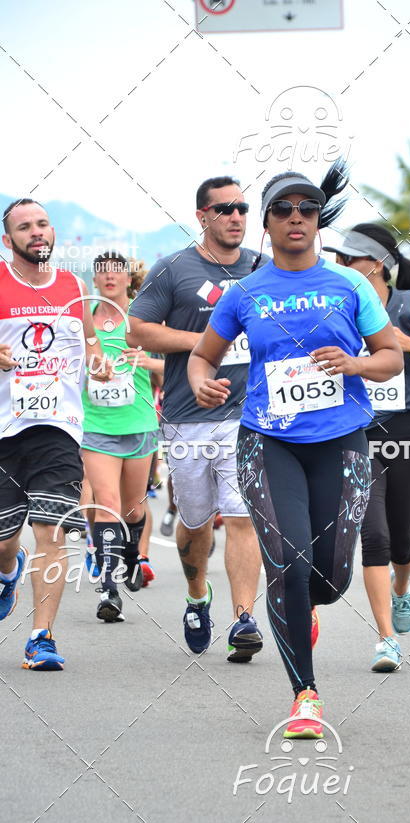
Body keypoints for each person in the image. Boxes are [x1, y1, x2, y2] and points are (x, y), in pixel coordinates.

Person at [188, 163, 403, 737]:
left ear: (318, 219)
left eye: (307, 209)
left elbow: (391, 356)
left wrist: (356, 363)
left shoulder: (350, 284)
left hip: (341, 441)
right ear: (267, 224)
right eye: (283, 210)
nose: (296, 218)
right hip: (268, 441)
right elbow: (203, 354)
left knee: (330, 578)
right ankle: (304, 696)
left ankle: (305, 600)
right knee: (288, 564)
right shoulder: (246, 292)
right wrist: (201, 378)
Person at [128, 176, 263, 661]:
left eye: (243, 208)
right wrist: (204, 342)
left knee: (241, 515)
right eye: (225, 209)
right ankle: (196, 595)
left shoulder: (262, 268)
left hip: (249, 416)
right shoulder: (174, 270)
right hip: (189, 417)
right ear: (202, 216)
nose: (236, 217)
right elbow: (137, 330)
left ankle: (244, 618)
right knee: (195, 520)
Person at [324, 224, 410, 670]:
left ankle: (403, 588)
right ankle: (386, 639)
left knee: (401, 540)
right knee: (374, 536)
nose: (340, 267)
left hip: (404, 433)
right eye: (338, 261)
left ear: (376, 265)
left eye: (349, 260)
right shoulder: (339, 308)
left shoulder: (408, 304)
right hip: (356, 432)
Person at [0, 198, 109, 669]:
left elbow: (89, 344)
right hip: (5, 431)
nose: (36, 232)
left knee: (52, 528)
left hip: (58, 428)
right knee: (6, 539)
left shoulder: (72, 286)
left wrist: (100, 361)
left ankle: (41, 636)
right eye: (25, 227)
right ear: (9, 241)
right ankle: (8, 571)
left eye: (42, 223)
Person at [81, 252, 163, 622]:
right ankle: (109, 587)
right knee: (106, 503)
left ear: (130, 278)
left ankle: (132, 554)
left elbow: (180, 363)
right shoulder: (85, 322)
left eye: (117, 271)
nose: (109, 276)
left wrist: (148, 361)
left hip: (140, 423)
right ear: (95, 280)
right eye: (102, 272)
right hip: (96, 426)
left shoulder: (144, 320)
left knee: (132, 507)